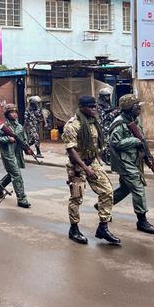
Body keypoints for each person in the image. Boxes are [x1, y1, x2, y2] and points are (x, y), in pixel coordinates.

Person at [62, 95, 120, 245]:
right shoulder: (72, 125)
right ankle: (74, 229)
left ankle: (103, 227)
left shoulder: (93, 122)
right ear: (81, 107)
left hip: (93, 162)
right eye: (90, 107)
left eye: (94, 106)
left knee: (107, 191)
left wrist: (98, 159)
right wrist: (86, 169)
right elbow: (71, 151)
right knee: (76, 198)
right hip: (78, 166)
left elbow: (95, 143)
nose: (94, 109)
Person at [108, 94, 154, 234]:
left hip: (134, 159)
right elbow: (115, 143)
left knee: (125, 189)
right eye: (137, 106)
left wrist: (147, 158)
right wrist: (134, 141)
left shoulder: (135, 120)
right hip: (124, 161)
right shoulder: (119, 123)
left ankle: (103, 205)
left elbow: (141, 140)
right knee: (138, 188)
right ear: (131, 108)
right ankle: (142, 221)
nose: (140, 108)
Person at [0, 103, 31, 208]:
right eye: (11, 112)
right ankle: (21, 199)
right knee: (17, 175)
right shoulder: (3, 127)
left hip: (17, 154)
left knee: (12, 174)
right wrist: (7, 139)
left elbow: (23, 140)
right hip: (8, 154)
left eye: (15, 112)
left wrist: (27, 149)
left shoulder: (19, 127)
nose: (14, 114)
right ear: (7, 114)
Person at [97, 88, 119, 165]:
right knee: (106, 144)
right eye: (106, 96)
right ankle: (106, 158)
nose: (107, 97)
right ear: (102, 96)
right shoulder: (99, 106)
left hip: (111, 125)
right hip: (104, 127)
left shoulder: (108, 104)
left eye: (108, 96)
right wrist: (113, 113)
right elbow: (103, 117)